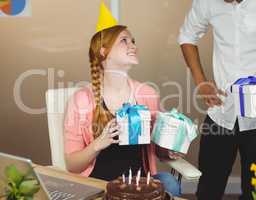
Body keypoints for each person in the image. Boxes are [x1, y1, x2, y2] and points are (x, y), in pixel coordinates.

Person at [178, 0, 256, 199]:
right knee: (208, 188)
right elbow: (187, 36)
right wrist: (201, 82)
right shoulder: (206, 2)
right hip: (221, 113)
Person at [63, 25, 180, 196]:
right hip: (100, 187)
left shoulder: (147, 94)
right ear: (103, 52)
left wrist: (170, 148)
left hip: (141, 186)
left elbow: (159, 151)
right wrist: (98, 144)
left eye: (133, 41)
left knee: (169, 182)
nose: (133, 46)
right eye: (124, 41)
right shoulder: (82, 99)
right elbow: (72, 166)